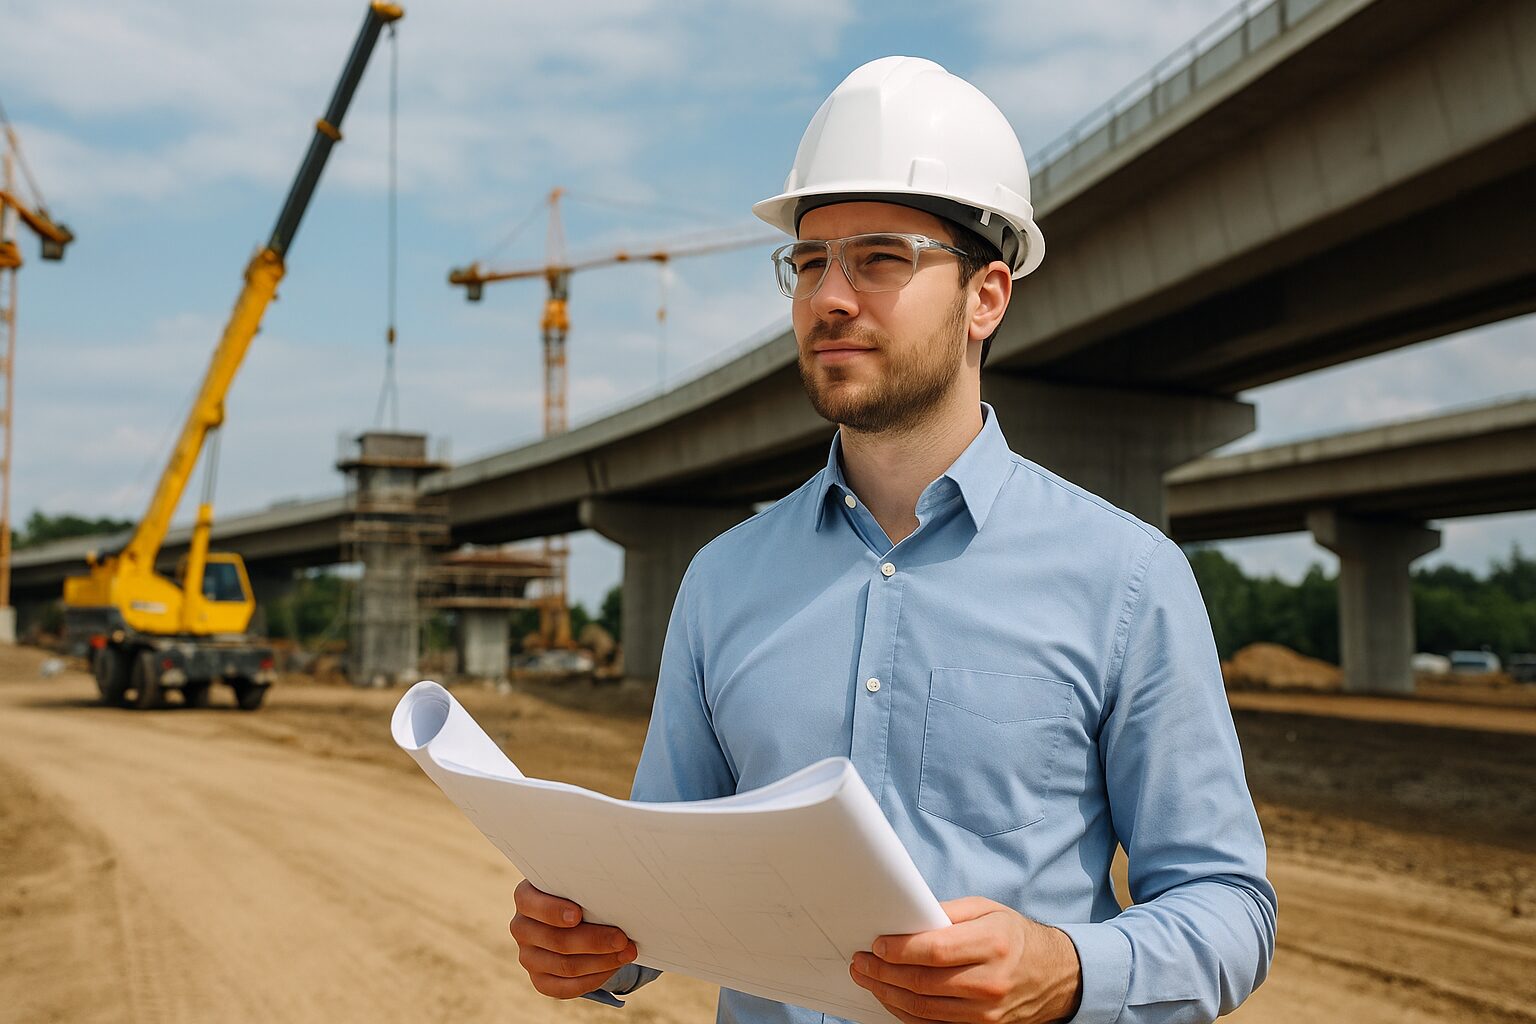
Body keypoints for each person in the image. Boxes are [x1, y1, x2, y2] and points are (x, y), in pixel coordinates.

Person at [510, 56, 1277, 1024]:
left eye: (879, 257)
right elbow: (666, 891)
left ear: (986, 297)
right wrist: (595, 945)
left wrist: (1071, 967)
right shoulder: (722, 580)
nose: (829, 297)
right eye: (809, 262)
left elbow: (1230, 908)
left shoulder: (1126, 578)